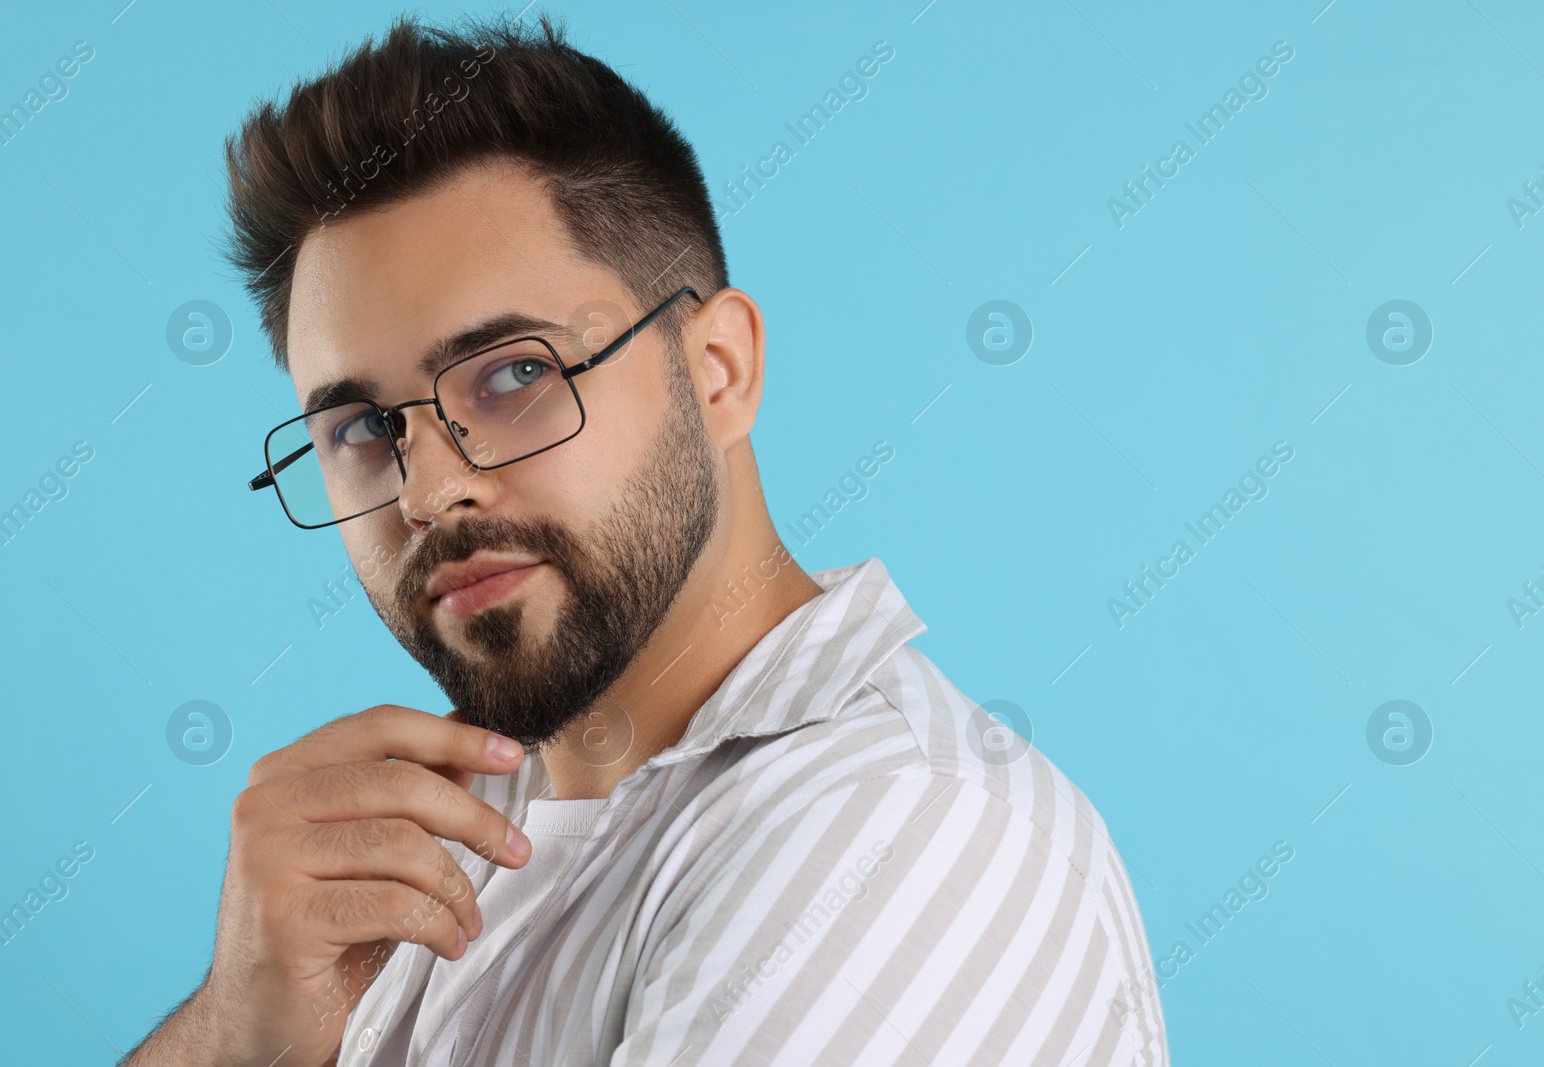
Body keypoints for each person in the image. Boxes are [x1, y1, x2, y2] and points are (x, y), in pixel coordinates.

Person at [124, 13, 1167, 1066]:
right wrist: (231, 1032)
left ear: (718, 370)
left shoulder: (901, 834)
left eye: (514, 373)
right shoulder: (431, 839)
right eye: (362, 429)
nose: (430, 489)